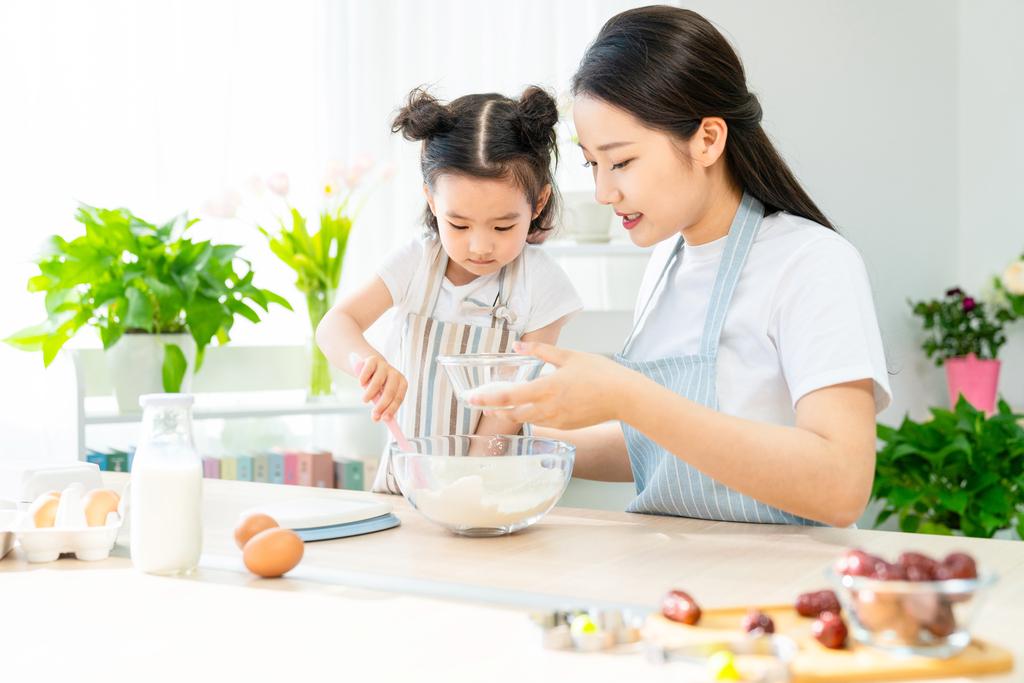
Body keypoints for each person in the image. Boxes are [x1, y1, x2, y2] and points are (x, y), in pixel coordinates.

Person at [472, 6, 891, 528]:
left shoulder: (812, 263)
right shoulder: (665, 265)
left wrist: (626, 395)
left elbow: (842, 486)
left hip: (778, 589)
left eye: (621, 161)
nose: (604, 192)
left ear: (708, 139)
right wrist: (512, 430)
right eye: (592, 164)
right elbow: (668, 451)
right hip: (673, 576)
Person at [316, 87, 583, 494]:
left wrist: (466, 483)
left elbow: (512, 400)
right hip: (408, 482)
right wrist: (371, 363)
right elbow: (335, 324)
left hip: (495, 482)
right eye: (458, 224)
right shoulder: (416, 262)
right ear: (431, 200)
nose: (479, 246)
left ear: (539, 202)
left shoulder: (544, 284)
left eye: (502, 226)